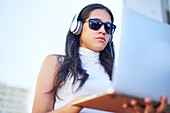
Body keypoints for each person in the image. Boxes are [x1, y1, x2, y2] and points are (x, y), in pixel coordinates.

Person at [32, 3, 168, 113]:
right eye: (95, 24)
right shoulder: (56, 62)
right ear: (77, 27)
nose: (103, 30)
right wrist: (79, 104)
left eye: (108, 27)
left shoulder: (118, 73)